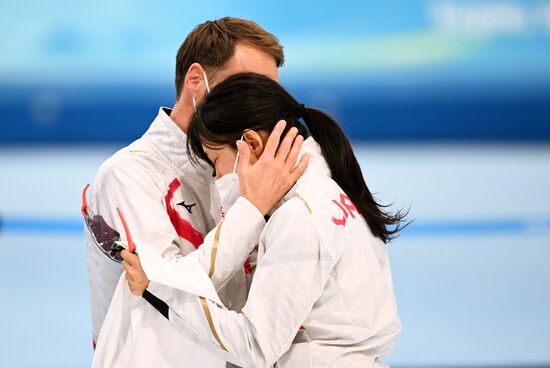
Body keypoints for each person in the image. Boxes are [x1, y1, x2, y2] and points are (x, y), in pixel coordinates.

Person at [123, 72, 405, 368]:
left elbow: (254, 345)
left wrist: (159, 288)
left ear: (252, 144)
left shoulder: (299, 218)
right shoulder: (326, 188)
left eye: (215, 160)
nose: (217, 178)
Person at [85, 17, 307, 367]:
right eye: (245, 85)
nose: (258, 102)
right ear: (195, 82)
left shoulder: (254, 163)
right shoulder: (128, 174)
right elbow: (165, 292)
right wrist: (252, 207)